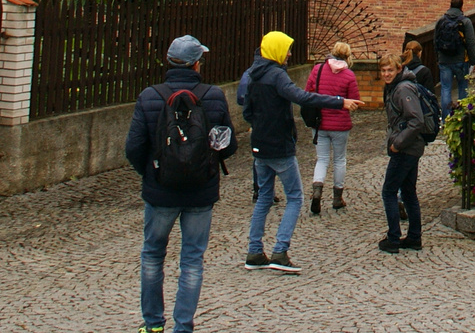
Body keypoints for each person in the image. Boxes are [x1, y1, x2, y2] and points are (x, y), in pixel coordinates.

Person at [124, 35, 235, 333]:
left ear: (169, 62)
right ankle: (183, 326)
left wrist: (150, 172)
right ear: (196, 63)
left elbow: (134, 147)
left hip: (161, 190)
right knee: (192, 260)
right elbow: (228, 144)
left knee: (152, 255)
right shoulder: (213, 95)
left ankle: (152, 324)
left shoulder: (150, 96)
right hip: (201, 191)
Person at [237, 30, 362, 274]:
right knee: (295, 197)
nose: (290, 53)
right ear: (277, 51)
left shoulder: (253, 74)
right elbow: (302, 97)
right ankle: (280, 251)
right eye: (287, 49)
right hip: (280, 146)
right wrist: (339, 101)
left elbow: (247, 112)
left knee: (264, 197)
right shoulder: (276, 76)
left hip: (259, 145)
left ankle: (254, 251)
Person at [378, 60, 435, 254]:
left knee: (389, 191)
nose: (386, 74)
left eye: (390, 70)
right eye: (384, 70)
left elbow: (416, 120)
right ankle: (414, 236)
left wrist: (397, 143)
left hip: (406, 148)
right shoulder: (397, 87)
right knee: (409, 192)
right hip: (410, 147)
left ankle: (393, 237)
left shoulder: (402, 89)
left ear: (398, 70)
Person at [307, 42, 360, 217]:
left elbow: (308, 92)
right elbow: (354, 101)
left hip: (319, 122)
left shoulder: (318, 70)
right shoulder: (349, 75)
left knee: (321, 159)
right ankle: (337, 198)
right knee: (339, 160)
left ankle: (317, 191)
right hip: (340, 124)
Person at [433, 0, 475, 113]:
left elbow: (435, 40)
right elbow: (471, 43)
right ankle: (462, 117)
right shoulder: (465, 22)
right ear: (462, 6)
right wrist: (474, 61)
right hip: (460, 59)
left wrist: (438, 58)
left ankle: (446, 119)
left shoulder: (441, 21)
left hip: (444, 60)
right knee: (462, 87)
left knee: (446, 89)